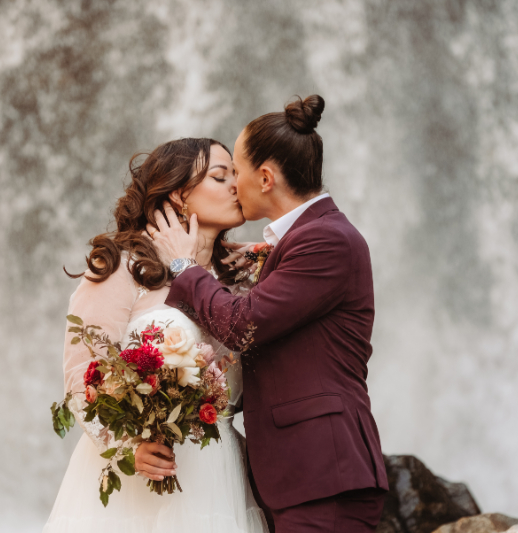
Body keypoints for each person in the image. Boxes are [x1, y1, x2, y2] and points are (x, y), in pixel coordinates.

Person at [147, 95, 389, 533]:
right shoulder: (303, 240)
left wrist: (185, 266)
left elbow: (243, 325)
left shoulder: (326, 240)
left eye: (233, 173)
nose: (232, 185)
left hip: (323, 475)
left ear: (264, 178)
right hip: (299, 476)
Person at [42, 138, 269, 533]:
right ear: (179, 195)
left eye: (236, 173)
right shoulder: (123, 265)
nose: (237, 184)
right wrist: (130, 447)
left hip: (218, 469)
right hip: (142, 472)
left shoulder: (242, 273)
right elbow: (82, 373)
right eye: (221, 176)